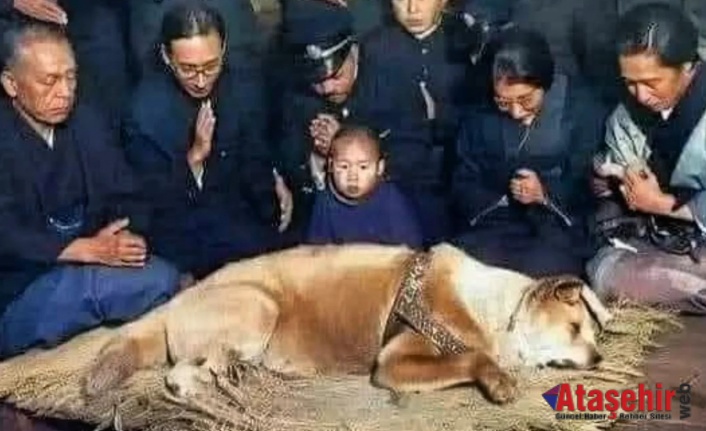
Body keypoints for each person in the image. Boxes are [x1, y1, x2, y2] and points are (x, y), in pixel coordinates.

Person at [0, 20, 180, 359]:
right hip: (18, 286)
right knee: (152, 285)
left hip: (85, 263)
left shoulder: (85, 120)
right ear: (11, 83)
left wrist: (125, 236)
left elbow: (126, 191)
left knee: (160, 275)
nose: (65, 91)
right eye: (49, 80)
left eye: (71, 77)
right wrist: (77, 248)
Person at [123, 1, 291, 280]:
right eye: (187, 69)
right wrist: (194, 161)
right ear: (166, 57)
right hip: (184, 231)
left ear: (224, 48)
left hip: (241, 214)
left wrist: (275, 184)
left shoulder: (244, 85)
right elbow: (150, 207)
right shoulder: (143, 113)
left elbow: (256, 155)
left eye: (211, 66)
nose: (201, 81)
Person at [450, 28, 605, 277]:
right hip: (495, 220)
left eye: (526, 99)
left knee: (543, 272)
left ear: (546, 81)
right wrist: (502, 197)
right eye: (503, 102)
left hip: (558, 222)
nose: (515, 113)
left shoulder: (581, 109)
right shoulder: (479, 112)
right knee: (465, 268)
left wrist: (544, 193)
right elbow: (464, 177)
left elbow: (588, 185)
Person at [588, 3, 706, 314]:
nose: (640, 95)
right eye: (630, 82)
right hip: (674, 239)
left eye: (652, 83)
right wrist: (608, 180)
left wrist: (660, 204)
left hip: (690, 230)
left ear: (688, 67)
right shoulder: (627, 115)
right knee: (604, 272)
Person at [356, 0, 477, 246]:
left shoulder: (466, 41)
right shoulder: (375, 48)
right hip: (396, 179)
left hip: (455, 178)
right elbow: (366, 120)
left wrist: (438, 115)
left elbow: (481, 118)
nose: (412, 9)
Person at [306, 125, 423, 248]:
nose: (353, 177)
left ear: (380, 168)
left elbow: (414, 253)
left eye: (363, 167)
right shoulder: (325, 201)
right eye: (344, 166)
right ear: (330, 165)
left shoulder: (392, 200)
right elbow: (315, 255)